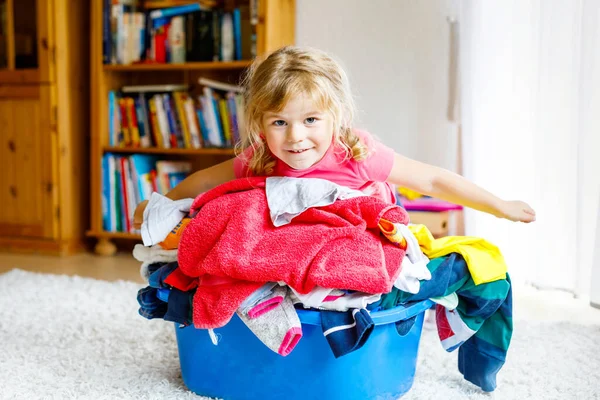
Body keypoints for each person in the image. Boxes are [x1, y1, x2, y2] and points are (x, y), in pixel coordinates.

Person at [133, 46, 535, 229]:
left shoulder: (356, 152)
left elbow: (431, 180)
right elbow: (205, 181)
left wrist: (499, 206)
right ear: (259, 125)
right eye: (279, 123)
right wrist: (161, 206)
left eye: (310, 120)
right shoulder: (261, 158)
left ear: (335, 117)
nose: (296, 137)